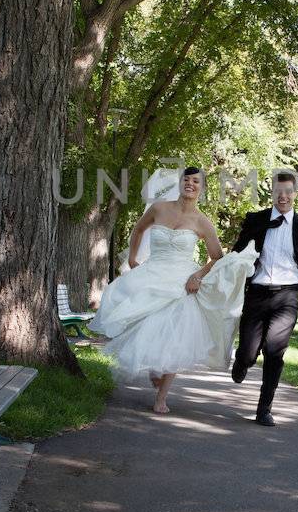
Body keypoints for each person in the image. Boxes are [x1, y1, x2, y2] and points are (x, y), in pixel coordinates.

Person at [89, 167, 257, 415]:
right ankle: (156, 369)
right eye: (186, 180)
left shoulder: (202, 222)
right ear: (179, 183)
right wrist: (133, 260)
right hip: (152, 273)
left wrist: (197, 276)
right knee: (148, 323)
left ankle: (162, 396)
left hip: (182, 283)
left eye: (195, 181)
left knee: (177, 337)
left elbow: (217, 258)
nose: (190, 184)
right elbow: (138, 230)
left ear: (202, 188)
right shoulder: (159, 208)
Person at [231, 170, 298, 426]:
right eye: (279, 191)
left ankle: (264, 409)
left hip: (287, 296)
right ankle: (243, 362)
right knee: (248, 352)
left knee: (275, 350)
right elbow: (237, 253)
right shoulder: (256, 220)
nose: (283, 196)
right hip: (256, 294)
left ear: (295, 194)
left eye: (288, 191)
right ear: (272, 192)